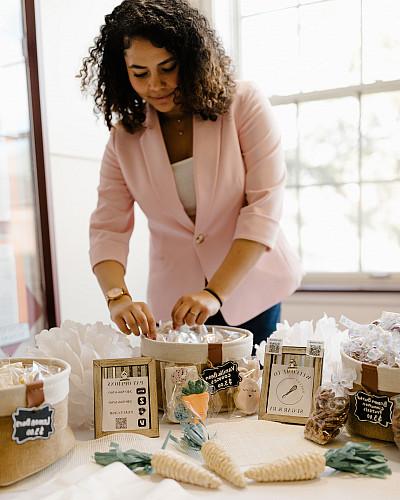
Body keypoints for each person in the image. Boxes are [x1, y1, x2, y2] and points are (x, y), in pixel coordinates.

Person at [81, 0, 302, 345]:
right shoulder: (124, 138)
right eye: (140, 73)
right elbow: (107, 227)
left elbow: (263, 207)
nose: (156, 84)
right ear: (122, 72)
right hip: (176, 301)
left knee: (252, 391)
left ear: (191, 58)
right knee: (189, 397)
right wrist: (117, 297)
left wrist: (215, 292)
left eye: (168, 67)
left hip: (250, 286)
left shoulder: (243, 104)